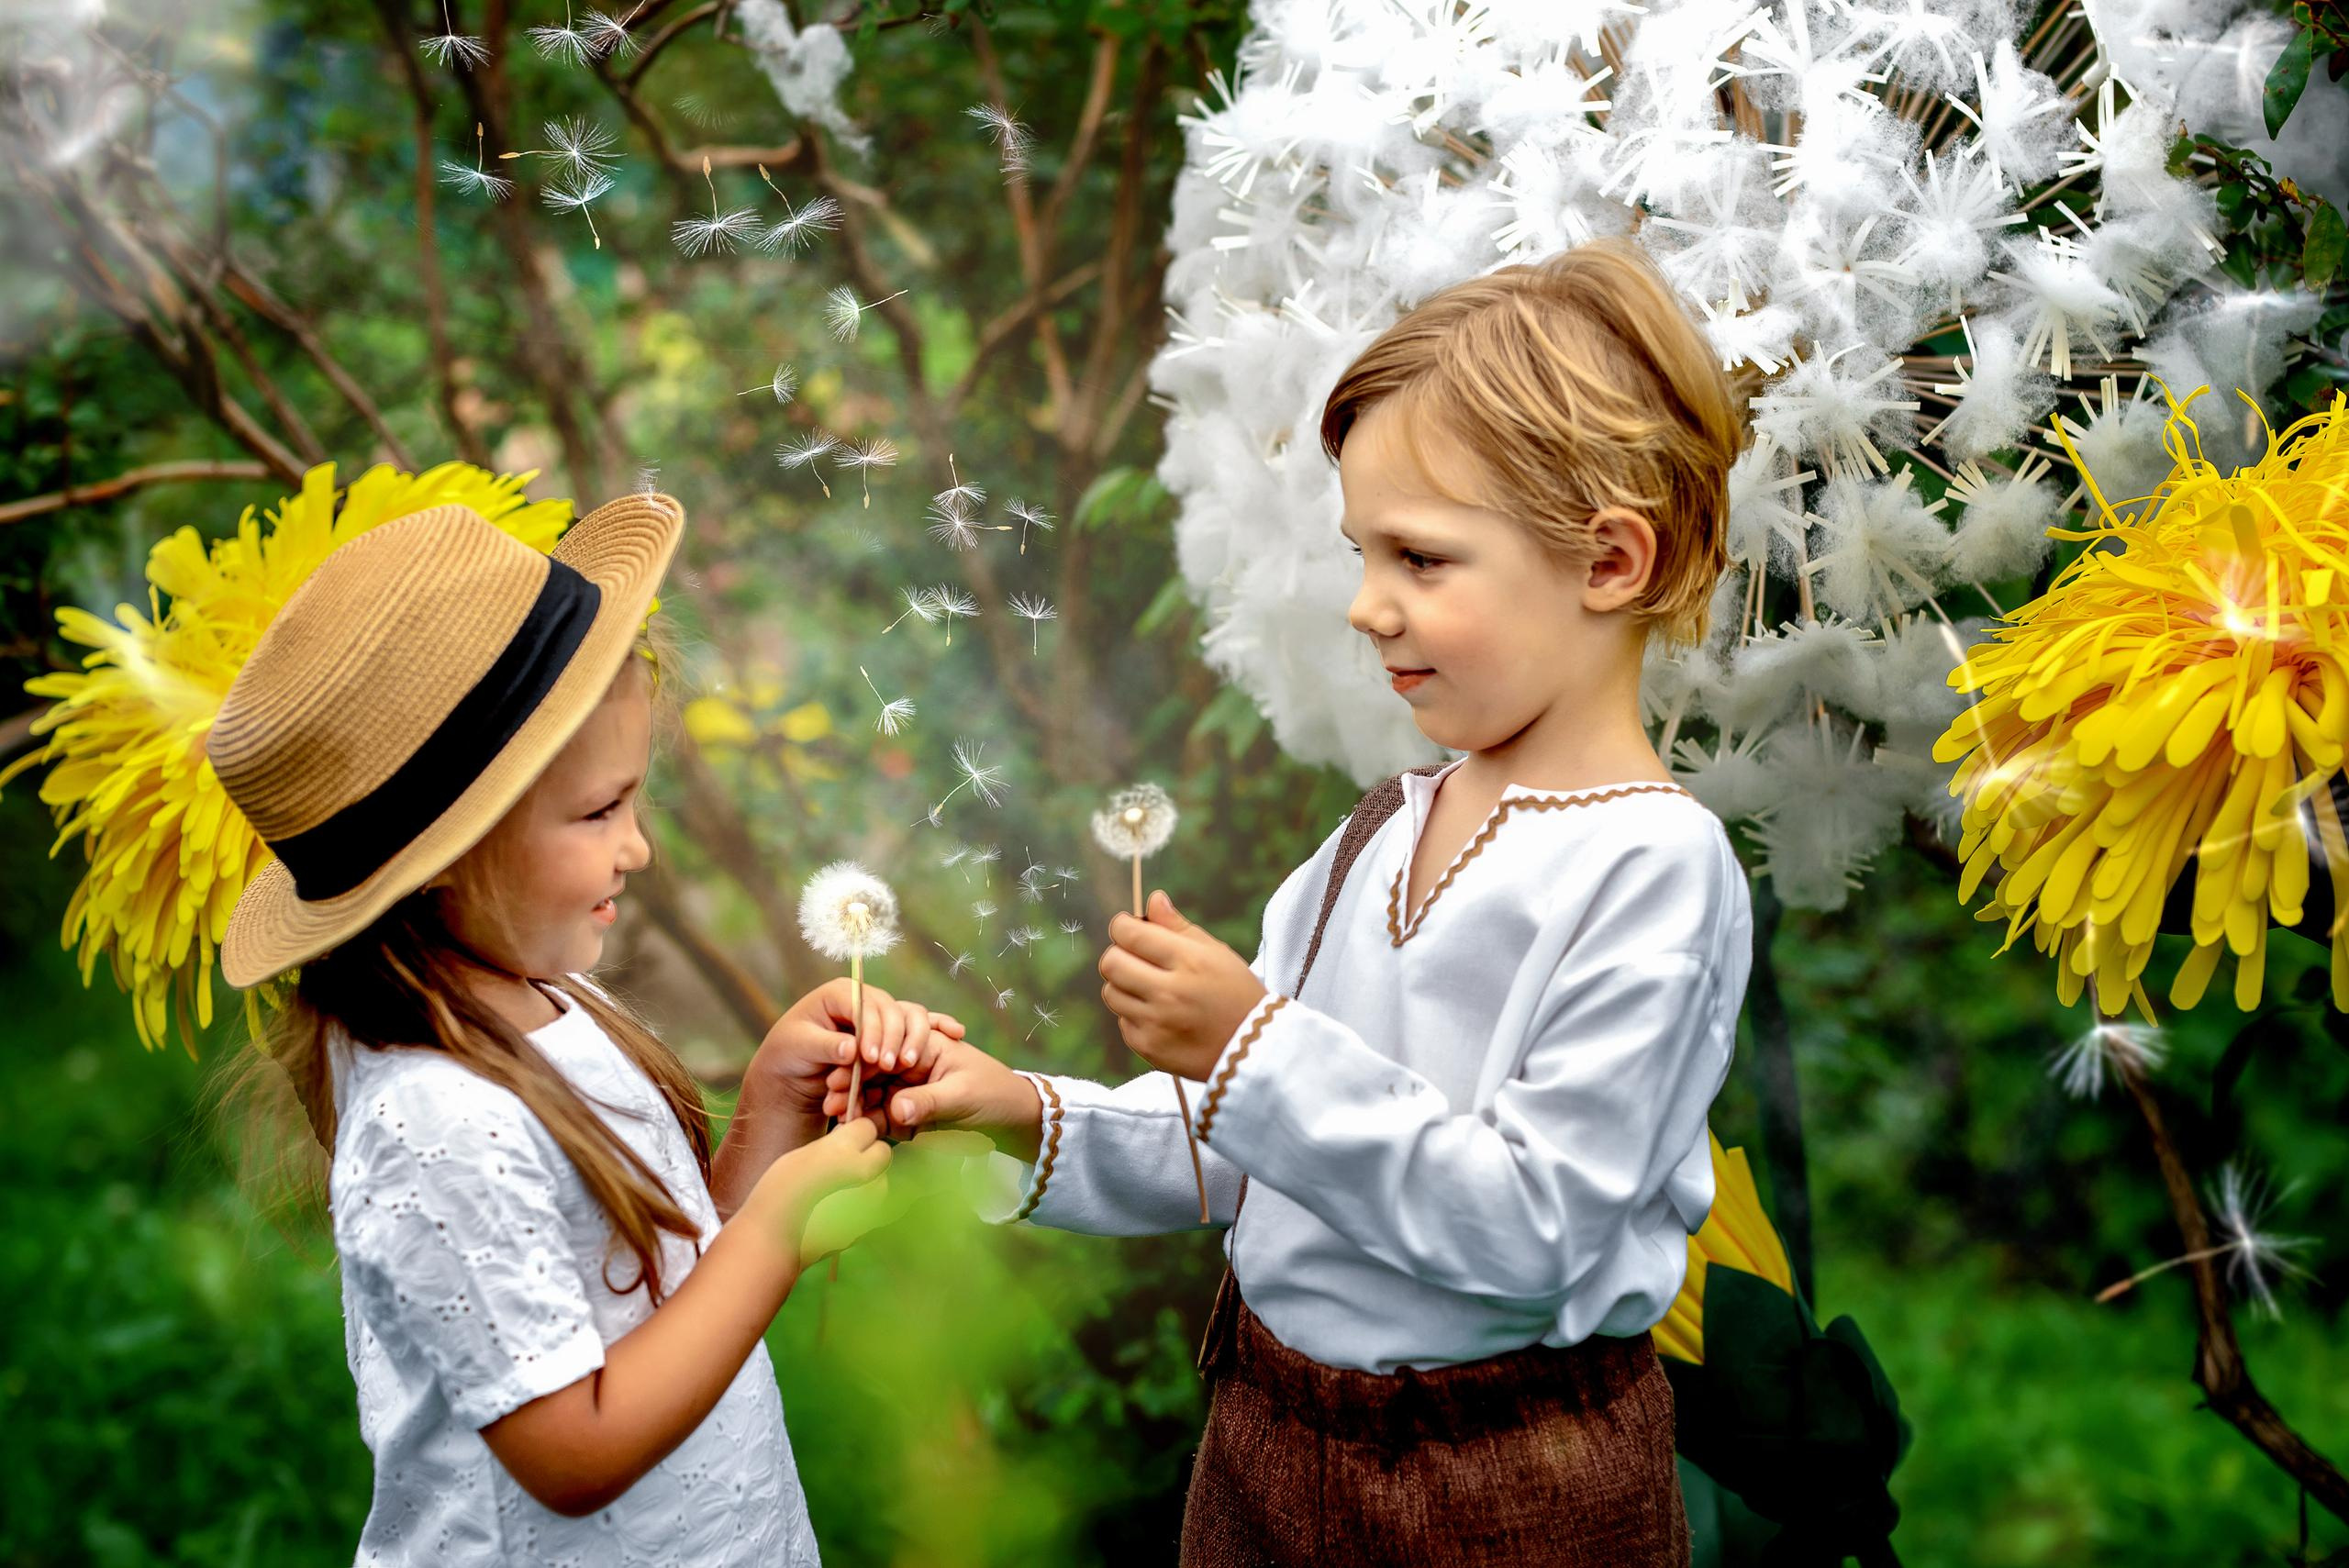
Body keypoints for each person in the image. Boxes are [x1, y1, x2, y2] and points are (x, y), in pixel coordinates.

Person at [872, 238, 1756, 1565]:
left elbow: (1528, 1226)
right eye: (1361, 553)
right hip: (1265, 1444)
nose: (1364, 604)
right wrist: (1017, 1112)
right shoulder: (1379, 833)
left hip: (1510, 1488)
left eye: (1420, 558)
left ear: (1611, 562)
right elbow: (1246, 1145)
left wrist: (1251, 1047)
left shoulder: (1651, 873)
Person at [208, 493, 956, 1565]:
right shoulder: (434, 1122)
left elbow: (645, 1282)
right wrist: (775, 1231)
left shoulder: (547, 991)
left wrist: (769, 1121)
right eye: (602, 811)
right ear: (454, 854)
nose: (638, 848)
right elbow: (573, 1449)